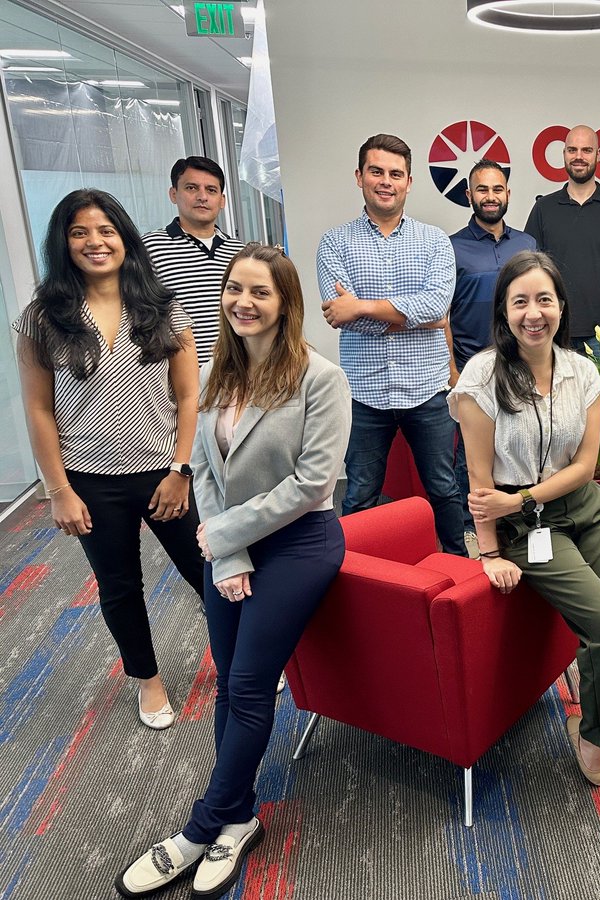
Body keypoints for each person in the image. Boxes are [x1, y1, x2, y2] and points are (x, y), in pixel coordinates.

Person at [116, 244, 351, 899]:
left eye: (261, 292)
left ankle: (198, 828)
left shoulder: (320, 379)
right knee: (229, 687)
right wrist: (229, 551)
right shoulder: (219, 373)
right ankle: (241, 816)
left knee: (248, 686)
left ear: (285, 303)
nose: (244, 303)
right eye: (234, 290)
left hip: (303, 545)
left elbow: (312, 484)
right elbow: (206, 471)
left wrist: (221, 535)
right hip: (235, 547)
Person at [14, 188, 205, 731]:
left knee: (206, 568)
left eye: (105, 231)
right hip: (88, 480)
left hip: (162, 472)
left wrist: (181, 469)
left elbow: (188, 395)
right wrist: (58, 491)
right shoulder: (43, 317)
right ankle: (147, 680)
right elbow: (38, 410)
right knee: (120, 585)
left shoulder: (161, 306)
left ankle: (243, 654)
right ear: (63, 243)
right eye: (80, 233)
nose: (95, 242)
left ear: (124, 238)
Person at [449, 250, 600, 787]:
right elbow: (481, 484)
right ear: (504, 311)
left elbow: (584, 466)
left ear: (561, 307)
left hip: (581, 509)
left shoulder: (582, 371)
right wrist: (487, 551)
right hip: (523, 527)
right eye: (520, 302)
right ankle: (599, 735)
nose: (534, 313)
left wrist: (525, 496)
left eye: (545, 300)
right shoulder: (482, 375)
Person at [318, 133, 465, 556]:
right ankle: (355, 573)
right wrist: (416, 319)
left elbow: (439, 306)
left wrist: (361, 308)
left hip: (427, 388)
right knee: (360, 491)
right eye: (377, 171)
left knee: (443, 488)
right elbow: (339, 316)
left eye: (395, 174)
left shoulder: (434, 240)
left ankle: (460, 563)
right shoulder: (335, 242)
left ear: (409, 181)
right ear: (360, 176)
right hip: (364, 392)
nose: (386, 181)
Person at [446, 159, 537, 552]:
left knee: (522, 444)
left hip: (520, 366)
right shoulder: (450, 247)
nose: (490, 197)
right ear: (469, 195)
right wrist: (453, 372)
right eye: (482, 190)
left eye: (497, 190)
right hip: (471, 368)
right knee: (472, 457)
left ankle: (520, 523)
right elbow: (441, 316)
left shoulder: (527, 244)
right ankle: (472, 531)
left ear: (507, 195)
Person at [524, 125, 600, 362]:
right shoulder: (544, 208)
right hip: (553, 332)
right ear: (564, 155)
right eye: (572, 150)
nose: (579, 157)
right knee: (551, 400)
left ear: (598, 156)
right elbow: (528, 269)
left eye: (587, 150)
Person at [143, 156, 245, 366]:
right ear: (173, 194)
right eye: (191, 188)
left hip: (238, 375)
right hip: (179, 380)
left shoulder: (240, 252)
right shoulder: (149, 248)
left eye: (211, 190)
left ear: (222, 200)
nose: (202, 197)